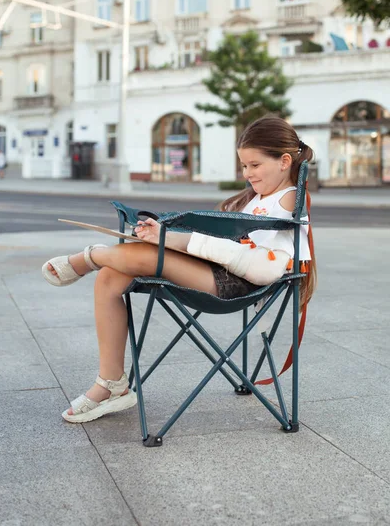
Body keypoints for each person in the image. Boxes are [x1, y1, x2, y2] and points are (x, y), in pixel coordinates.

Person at [42, 115, 317, 424]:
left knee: (144, 257)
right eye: (243, 166)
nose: (247, 174)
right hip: (216, 269)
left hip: (237, 284)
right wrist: (166, 237)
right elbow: (224, 242)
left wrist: (171, 239)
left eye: (255, 165)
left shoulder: (289, 197)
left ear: (283, 161)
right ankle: (111, 384)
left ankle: (87, 258)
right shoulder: (258, 198)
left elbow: (263, 267)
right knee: (111, 276)